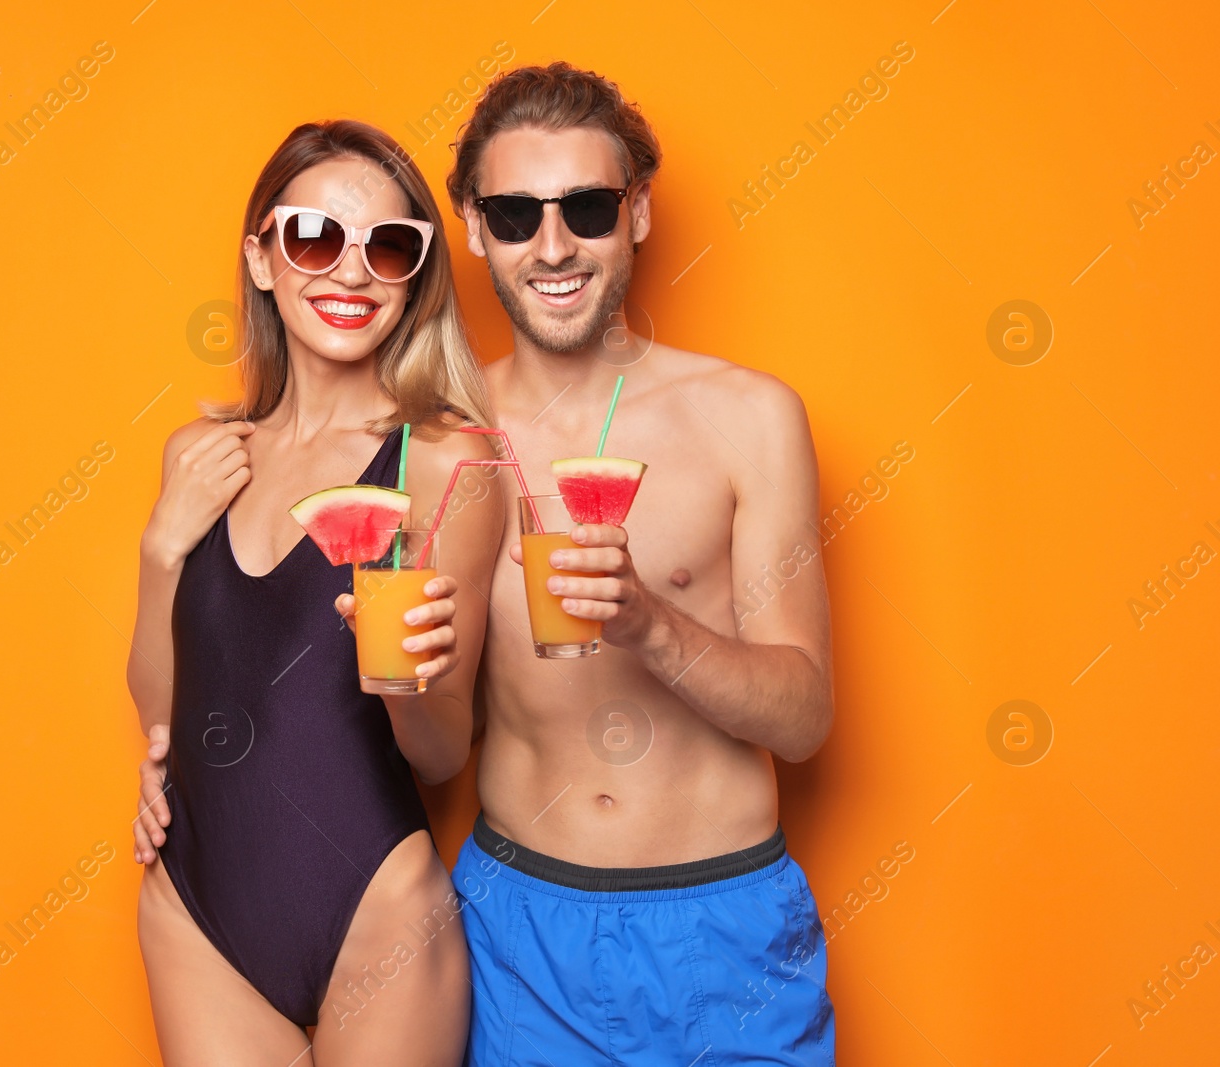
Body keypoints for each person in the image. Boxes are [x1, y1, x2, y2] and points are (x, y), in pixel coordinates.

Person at [444, 63, 837, 1065]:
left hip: (725, 929)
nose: (554, 244)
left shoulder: (750, 417)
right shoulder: (442, 443)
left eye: (585, 206)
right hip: (518, 932)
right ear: (474, 226)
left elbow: (803, 718)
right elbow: (425, 744)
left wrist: (648, 624)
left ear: (638, 215)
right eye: (516, 213)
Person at [126, 119, 504, 1066]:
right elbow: (161, 712)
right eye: (313, 238)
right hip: (196, 903)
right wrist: (161, 547)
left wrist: (404, 679)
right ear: (262, 256)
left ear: (415, 275)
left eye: (387, 247)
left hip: (374, 903)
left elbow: (442, 753)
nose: (350, 273)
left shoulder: (442, 462)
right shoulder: (200, 453)